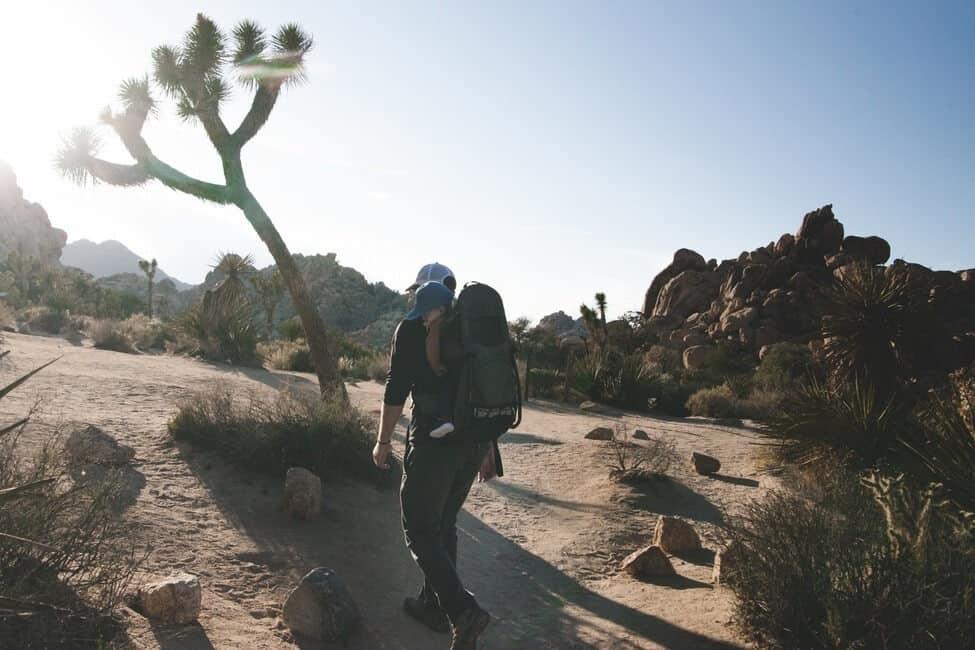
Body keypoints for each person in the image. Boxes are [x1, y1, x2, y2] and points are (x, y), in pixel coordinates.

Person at [373, 263, 494, 650]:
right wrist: (489, 447)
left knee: (420, 529)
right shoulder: (471, 328)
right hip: (473, 444)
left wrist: (382, 442)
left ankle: (461, 611)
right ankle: (434, 606)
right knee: (443, 524)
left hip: (435, 445)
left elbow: (396, 389)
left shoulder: (411, 329)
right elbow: (484, 391)